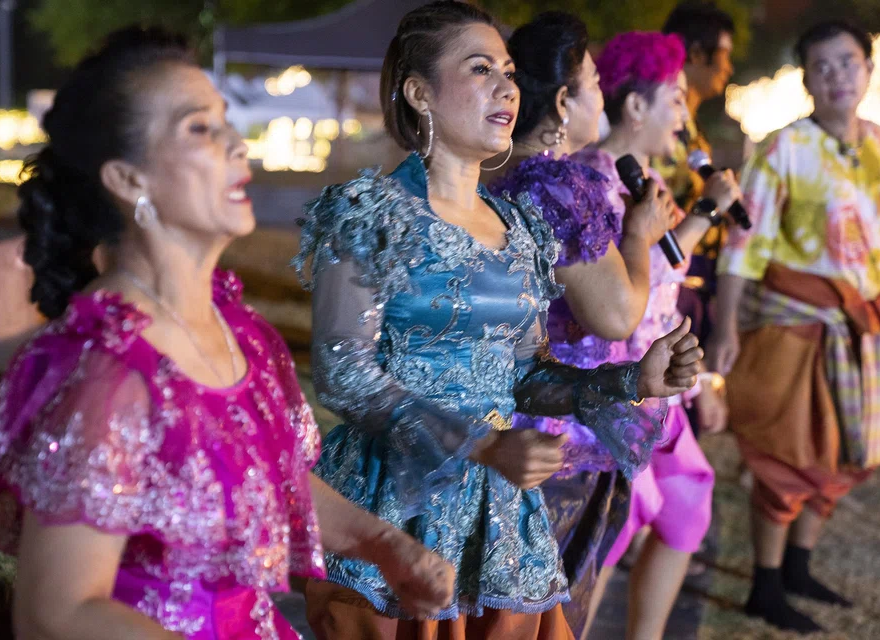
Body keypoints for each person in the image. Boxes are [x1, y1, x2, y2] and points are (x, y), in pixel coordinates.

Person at [0, 27, 458, 640]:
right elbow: (57, 613)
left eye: (225, 123)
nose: (236, 146)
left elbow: (270, 478)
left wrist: (384, 545)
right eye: (199, 129)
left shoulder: (241, 335)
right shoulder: (107, 373)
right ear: (128, 179)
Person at [293, 4, 704, 639]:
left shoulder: (522, 232)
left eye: (509, 72)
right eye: (480, 69)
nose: (506, 88)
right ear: (419, 92)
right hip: (398, 507)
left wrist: (631, 382)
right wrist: (481, 444)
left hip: (499, 517)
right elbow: (346, 375)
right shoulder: (370, 212)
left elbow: (526, 378)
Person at [487, 12, 677, 635]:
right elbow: (618, 315)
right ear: (565, 102)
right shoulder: (563, 186)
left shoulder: (511, 174)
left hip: (516, 413)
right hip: (556, 426)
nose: (604, 98)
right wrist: (641, 236)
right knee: (548, 605)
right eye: (595, 84)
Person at [709, 20, 880, 634]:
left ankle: (798, 569)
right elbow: (742, 244)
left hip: (865, 331)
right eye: (823, 65)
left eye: (847, 62)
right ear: (807, 79)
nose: (837, 75)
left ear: (867, 68)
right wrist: (724, 327)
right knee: (789, 457)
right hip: (796, 325)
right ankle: (764, 584)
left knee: (846, 456)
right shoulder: (784, 147)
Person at [571, 31, 740, 640]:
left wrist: (708, 211)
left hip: (660, 383)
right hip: (611, 381)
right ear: (635, 106)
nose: (682, 116)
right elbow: (619, 286)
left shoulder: (648, 182)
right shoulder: (586, 181)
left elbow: (663, 263)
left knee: (687, 509)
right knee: (607, 535)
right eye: (673, 99)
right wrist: (708, 212)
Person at [658, 1, 738, 345]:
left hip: (696, 283)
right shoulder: (660, 131)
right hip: (668, 281)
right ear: (695, 53)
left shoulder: (692, 130)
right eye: (724, 54)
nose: (729, 67)